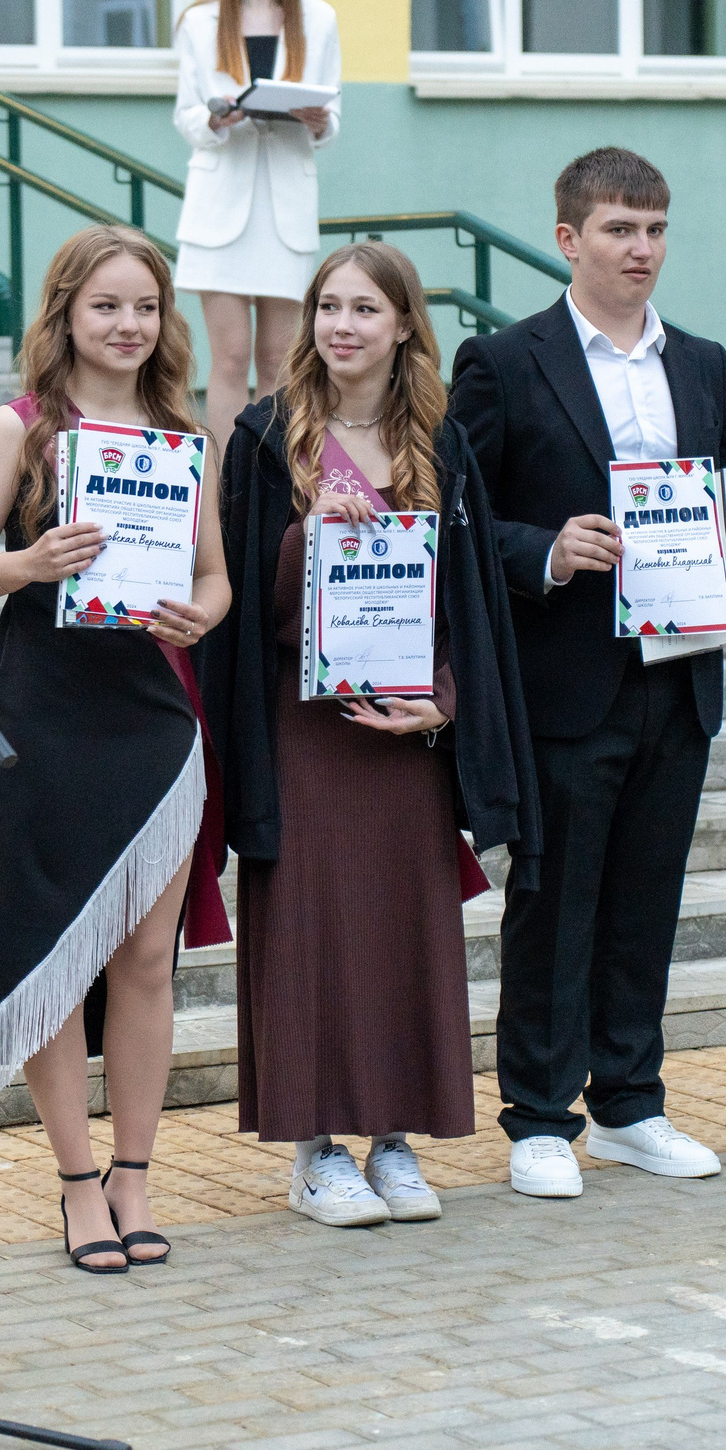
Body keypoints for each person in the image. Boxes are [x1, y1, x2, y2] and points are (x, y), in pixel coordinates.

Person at [448, 147, 726, 1200]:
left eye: (656, 228)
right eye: (621, 229)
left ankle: (630, 1104)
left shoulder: (704, 363)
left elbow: (719, 502)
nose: (642, 249)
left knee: (645, 899)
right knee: (553, 900)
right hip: (565, 675)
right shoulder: (502, 361)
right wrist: (545, 549)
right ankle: (540, 1116)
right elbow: (461, 523)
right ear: (568, 239)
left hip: (677, 673)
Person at [204, 242, 540, 1228]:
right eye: (326, 307)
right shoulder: (269, 437)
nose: (341, 326)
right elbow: (240, 613)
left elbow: (472, 602)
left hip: (405, 736)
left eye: (363, 309)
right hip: (304, 732)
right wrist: (313, 540)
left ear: (403, 327)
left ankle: (392, 1141)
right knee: (312, 934)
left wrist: (446, 700)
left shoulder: (442, 442)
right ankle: (315, 1152)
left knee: (404, 934)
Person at [0, 224, 231, 1274]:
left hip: (151, 715)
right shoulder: (22, 429)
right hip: (46, 715)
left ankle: (137, 1174)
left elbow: (215, 577)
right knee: (57, 959)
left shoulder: (174, 433)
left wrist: (199, 614)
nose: (128, 325)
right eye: (107, 305)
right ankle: (75, 1183)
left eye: (146, 307)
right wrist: (29, 562)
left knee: (146, 960)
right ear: (65, 312)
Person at [173, 0, 340, 450]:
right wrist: (217, 120)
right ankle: (225, 486)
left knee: (279, 358)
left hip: (285, 205)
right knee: (229, 359)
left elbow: (331, 118)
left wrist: (317, 118)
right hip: (221, 205)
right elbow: (187, 115)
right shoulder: (200, 22)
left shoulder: (316, 19)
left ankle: (271, 477)